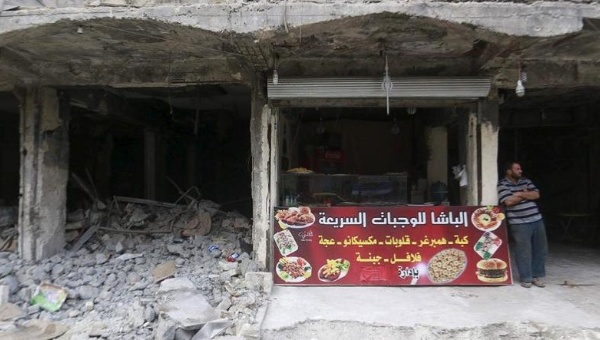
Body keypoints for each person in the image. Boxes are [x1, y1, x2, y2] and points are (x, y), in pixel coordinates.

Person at [497, 161, 548, 288]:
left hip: (536, 219)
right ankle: (526, 278)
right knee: (523, 251)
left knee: (540, 249)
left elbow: (536, 194)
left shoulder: (526, 181)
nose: (521, 171)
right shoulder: (502, 184)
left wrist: (519, 194)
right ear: (509, 171)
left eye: (520, 169)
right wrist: (526, 194)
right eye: (517, 169)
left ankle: (537, 276)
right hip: (519, 223)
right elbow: (508, 201)